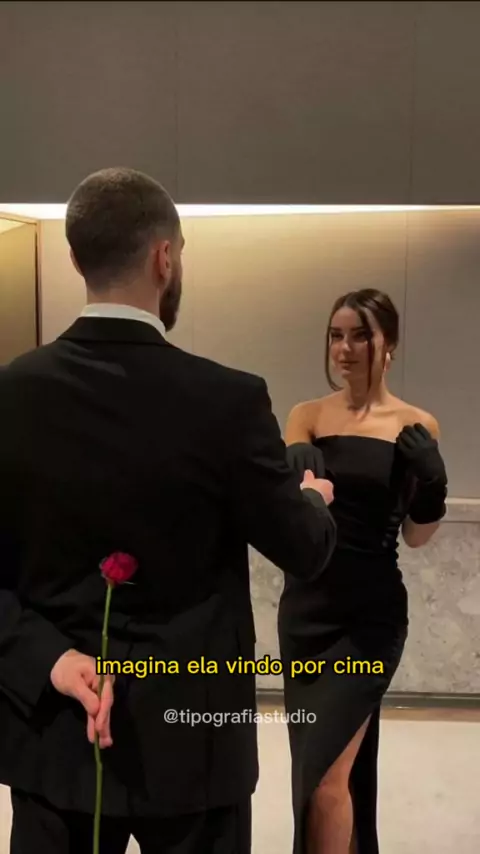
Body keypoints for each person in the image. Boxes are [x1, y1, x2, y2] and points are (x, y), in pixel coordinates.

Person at [0, 168, 337, 854]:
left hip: (57, 738)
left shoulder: (12, 395)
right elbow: (305, 549)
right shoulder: (228, 401)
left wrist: (51, 660)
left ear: (76, 259)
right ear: (164, 258)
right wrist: (312, 497)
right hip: (194, 751)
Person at [278, 288, 448, 854]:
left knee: (327, 776)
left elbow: (417, 537)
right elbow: (295, 521)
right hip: (306, 616)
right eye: (336, 335)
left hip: (370, 620)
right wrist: (291, 479)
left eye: (360, 335)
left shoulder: (416, 425)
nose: (344, 348)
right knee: (317, 773)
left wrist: (433, 485)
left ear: (389, 343)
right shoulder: (305, 417)